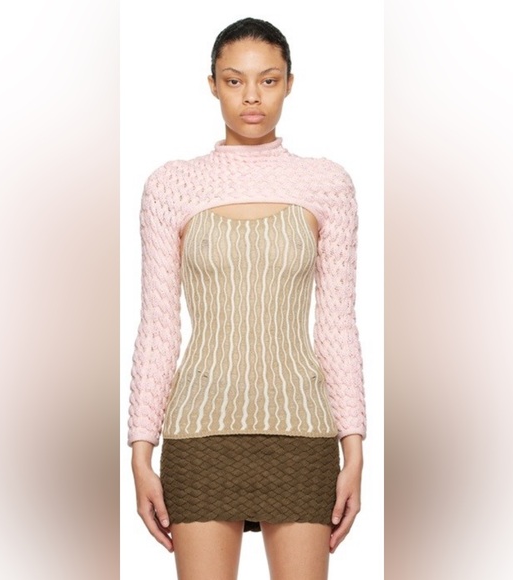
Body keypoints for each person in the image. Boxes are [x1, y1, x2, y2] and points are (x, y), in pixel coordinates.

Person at [127, 17, 367, 580]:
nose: (252, 97)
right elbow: (158, 327)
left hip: (303, 429)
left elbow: (336, 326)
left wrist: (355, 449)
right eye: (235, 81)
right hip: (199, 431)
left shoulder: (327, 184)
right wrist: (140, 451)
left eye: (268, 80)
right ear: (213, 84)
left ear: (289, 84)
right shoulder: (171, 186)